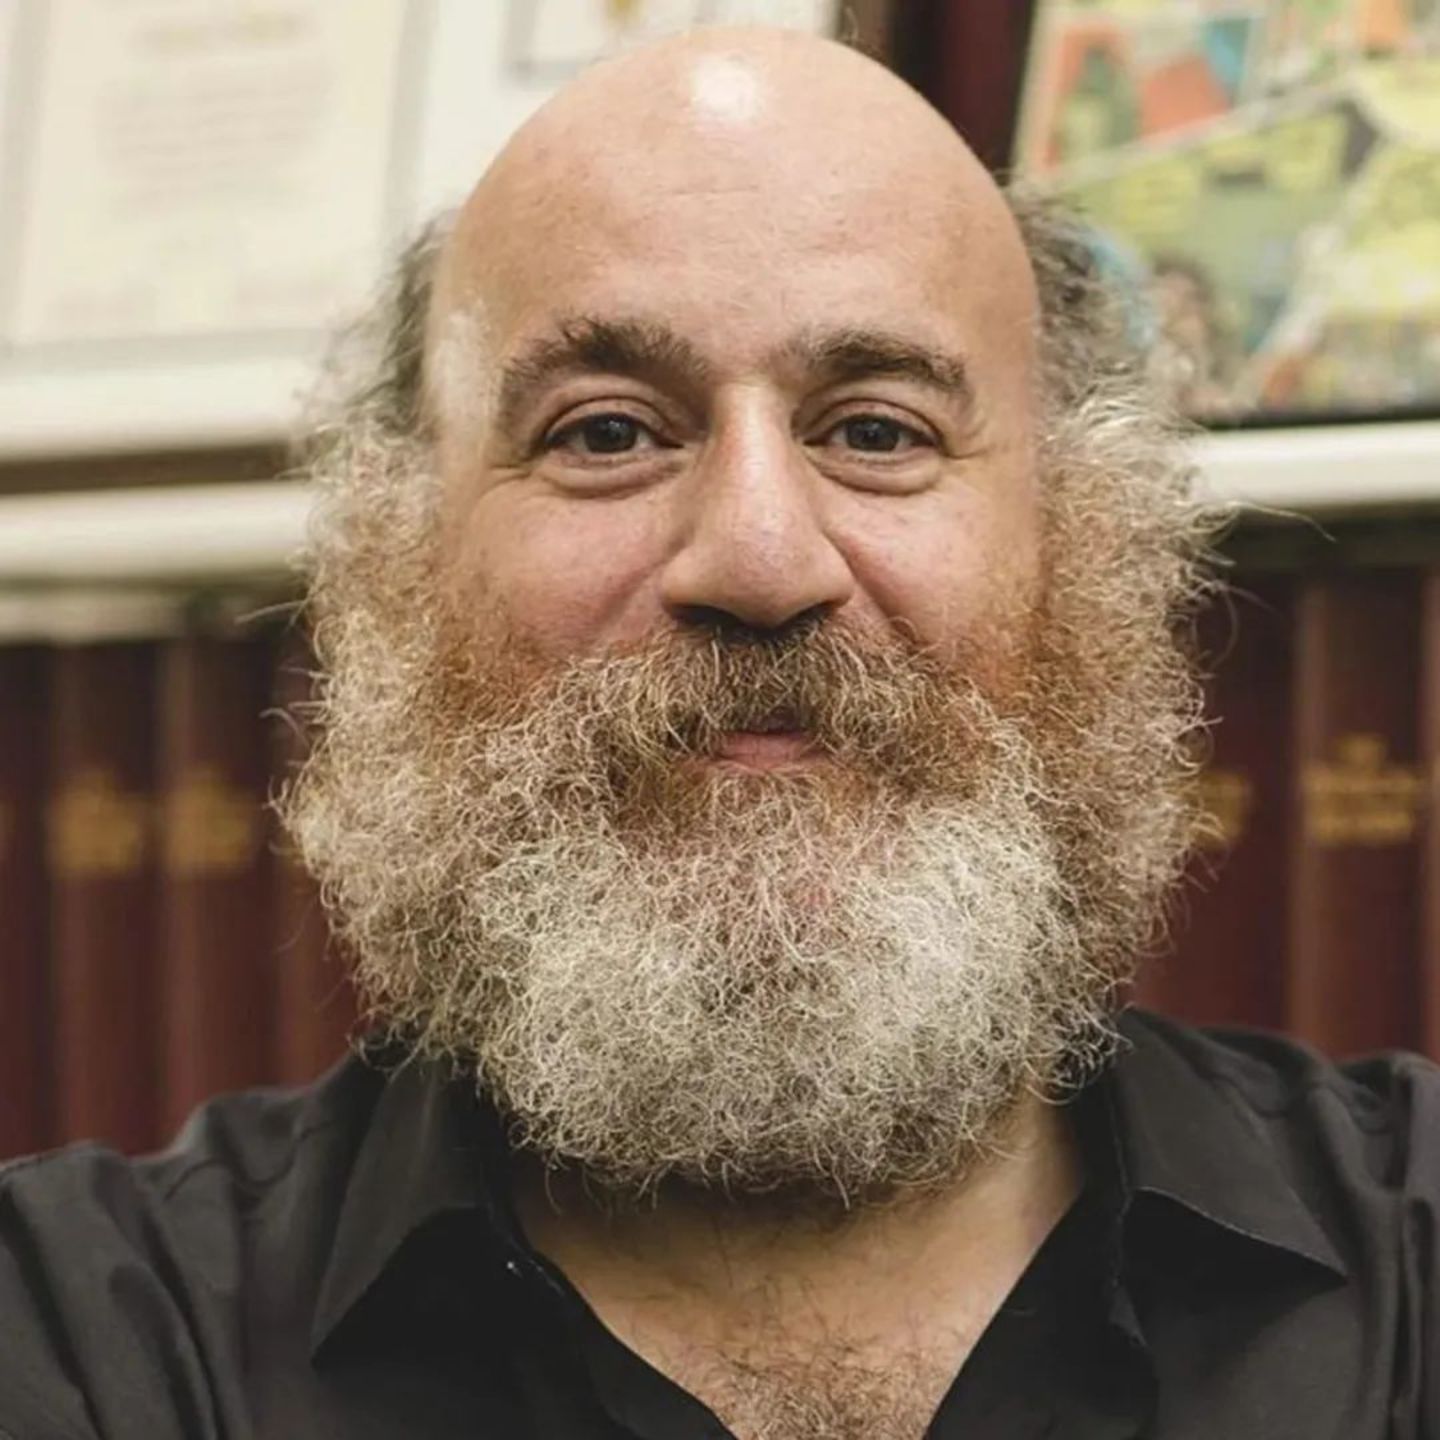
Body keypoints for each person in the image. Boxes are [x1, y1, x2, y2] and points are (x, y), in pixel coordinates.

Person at [2, 26, 1436, 1440]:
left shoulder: (1414, 1279)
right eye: (607, 433)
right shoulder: (78, 1342)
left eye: (876, 431)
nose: (759, 561)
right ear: (398, 559)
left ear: (1085, 543)